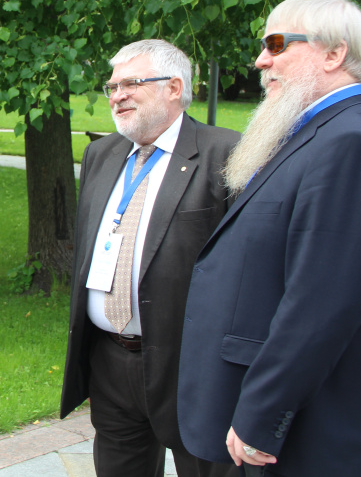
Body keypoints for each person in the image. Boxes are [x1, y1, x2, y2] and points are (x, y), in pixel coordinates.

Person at [178, 0, 361, 476]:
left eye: (276, 44)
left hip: (312, 430)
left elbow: (322, 304)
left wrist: (261, 414)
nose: (261, 61)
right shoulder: (325, 130)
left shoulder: (353, 142)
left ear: (334, 53)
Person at [59, 40, 238, 477]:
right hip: (110, 360)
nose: (117, 95)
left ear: (174, 87)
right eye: (112, 86)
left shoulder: (225, 153)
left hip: (190, 367)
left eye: (131, 83)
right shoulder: (102, 154)